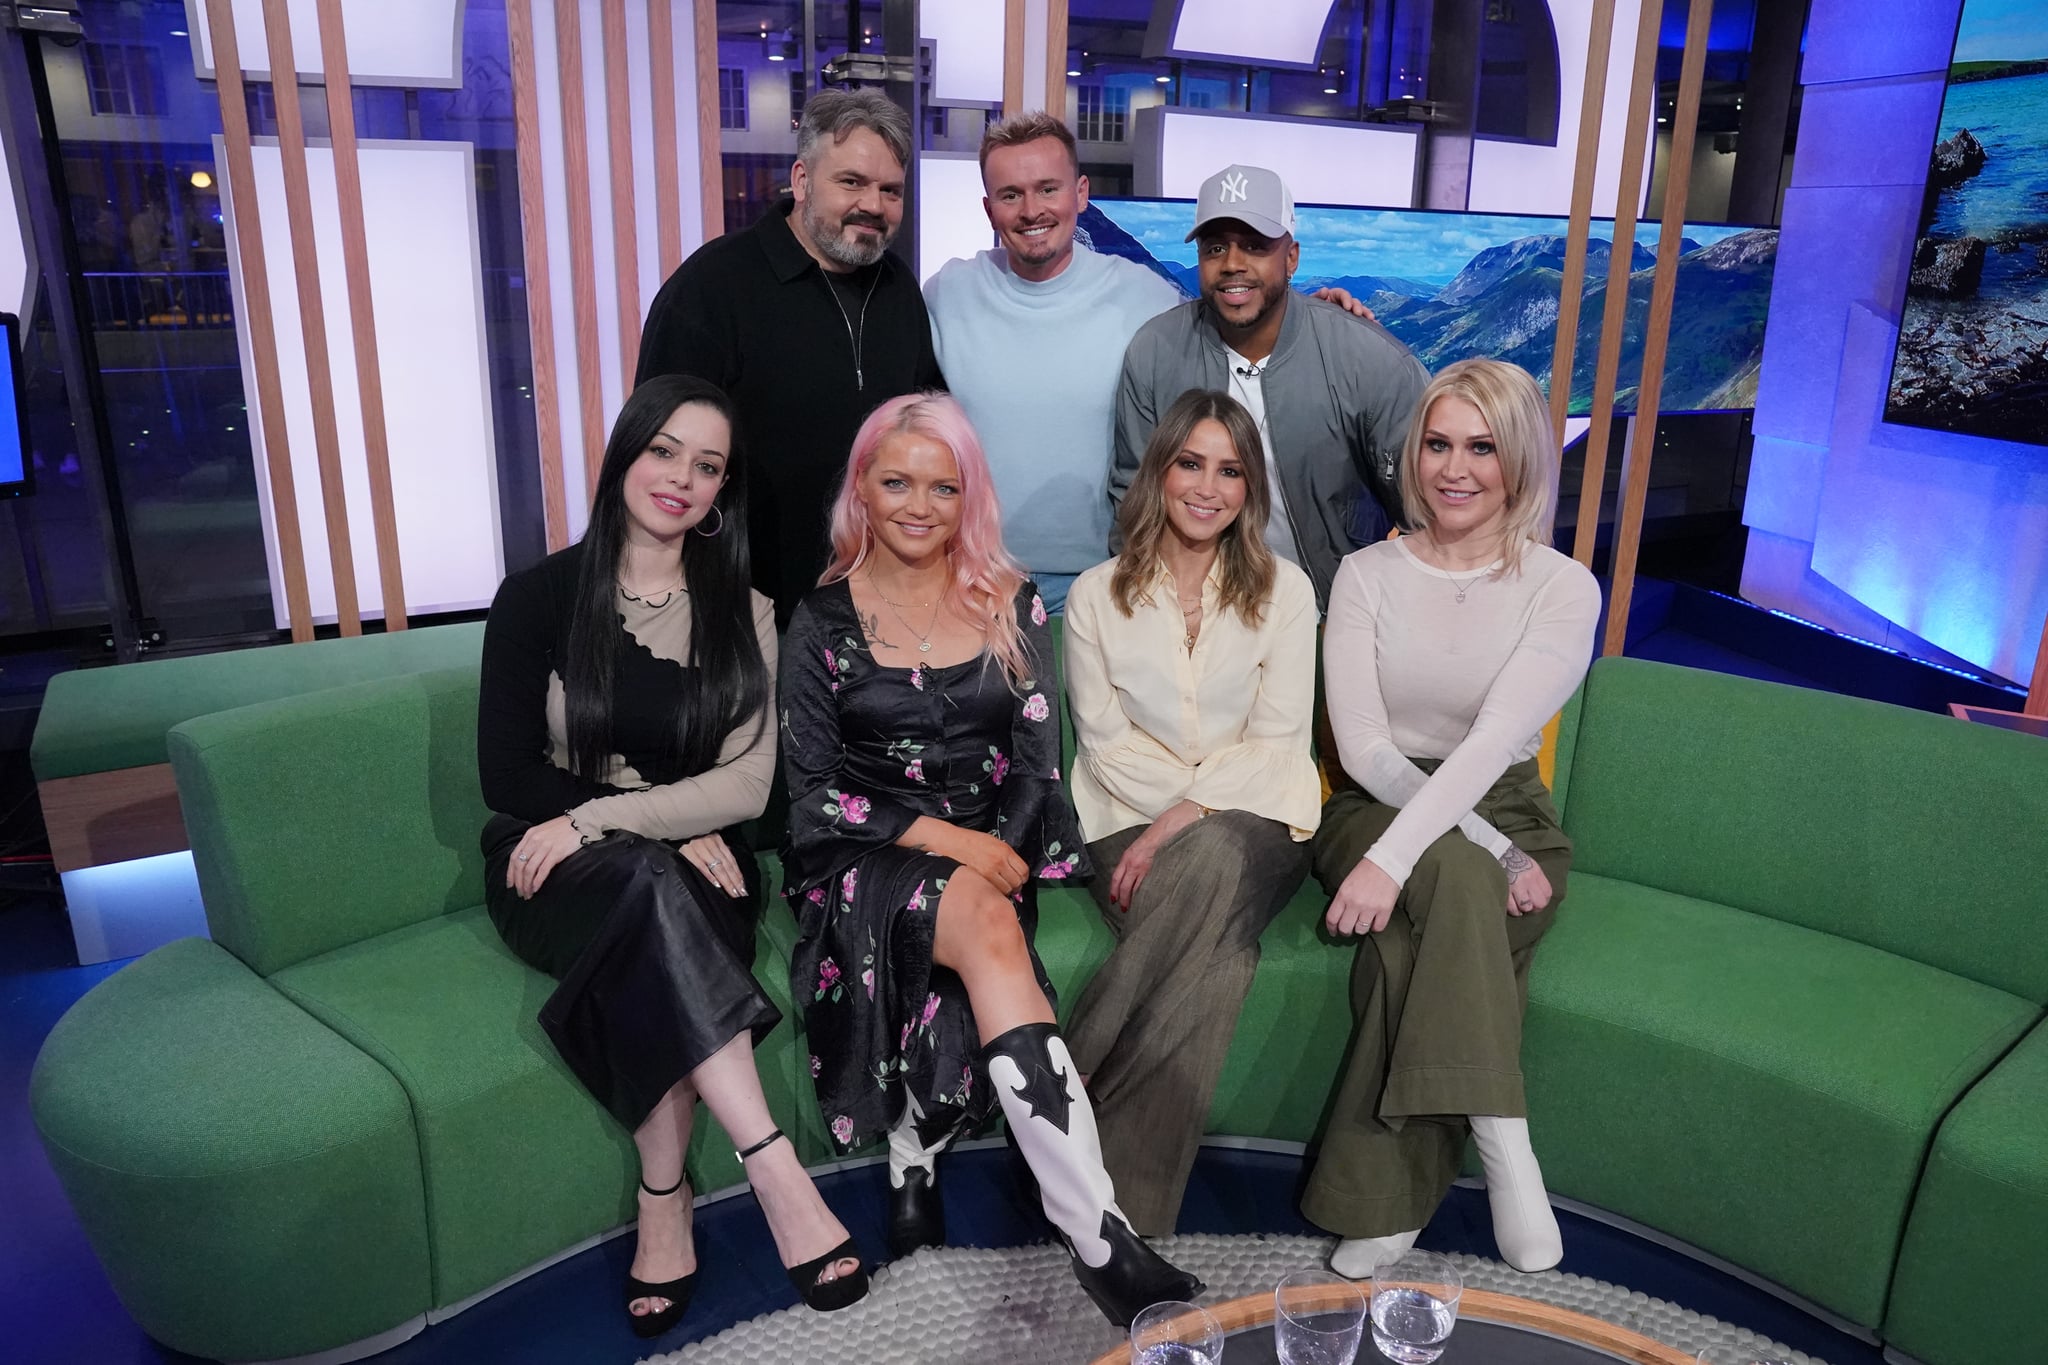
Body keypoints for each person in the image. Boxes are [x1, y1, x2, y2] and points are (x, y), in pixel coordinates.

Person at [777, 392, 1203, 1326]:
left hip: (993, 853)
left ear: (967, 495)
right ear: (863, 488)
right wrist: (953, 846)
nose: (919, 505)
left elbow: (1035, 758)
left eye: (943, 485)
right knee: (979, 917)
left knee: (980, 915)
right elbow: (813, 797)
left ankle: (913, 1156)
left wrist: (996, 850)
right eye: (896, 481)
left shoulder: (1010, 599)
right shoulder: (817, 620)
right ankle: (1098, 1232)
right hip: (865, 855)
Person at [476, 375, 869, 1337]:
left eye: (707, 466)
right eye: (664, 451)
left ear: (721, 492)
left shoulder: (750, 610)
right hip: (548, 863)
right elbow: (509, 775)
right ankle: (773, 1166)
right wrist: (622, 822)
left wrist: (626, 821)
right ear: (626, 452)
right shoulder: (538, 596)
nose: (681, 478)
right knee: (649, 885)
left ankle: (665, 1195)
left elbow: (748, 787)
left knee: (655, 903)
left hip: (705, 869)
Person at [1302, 359, 1601, 1279]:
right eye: (1437, 443)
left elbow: (1493, 742)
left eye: (1481, 446)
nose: (1455, 467)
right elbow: (1363, 751)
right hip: (1375, 803)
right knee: (1463, 875)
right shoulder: (1363, 575)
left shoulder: (1562, 586)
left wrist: (1483, 840)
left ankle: (1389, 1205)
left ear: (1518, 460)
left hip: (1506, 798)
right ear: (1413, 453)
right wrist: (1464, 849)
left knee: (1408, 944)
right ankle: (1506, 1140)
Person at [926, 117, 1378, 612]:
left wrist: (1313, 317)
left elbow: (1237, 321)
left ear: (1081, 193)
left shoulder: (1145, 297)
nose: (1032, 210)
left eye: (1047, 188)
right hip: (970, 577)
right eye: (1011, 195)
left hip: (1102, 581)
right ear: (989, 208)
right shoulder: (946, 294)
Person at [1061, 389, 1321, 1235]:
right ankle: (1125, 1228)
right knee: (1220, 961)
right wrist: (1174, 806)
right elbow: (1104, 743)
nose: (1208, 487)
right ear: (1159, 471)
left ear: (1251, 489)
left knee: (1210, 856)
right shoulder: (1097, 596)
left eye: (1231, 470)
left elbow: (1280, 741)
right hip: (1121, 814)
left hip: (1257, 820)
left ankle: (1071, 1072)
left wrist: (1190, 811)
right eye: (1191, 463)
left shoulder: (1286, 592)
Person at [636, 89, 943, 622]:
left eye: (890, 190)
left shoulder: (899, 288)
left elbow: (925, 427)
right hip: (743, 610)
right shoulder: (712, 287)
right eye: (851, 182)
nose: (872, 205)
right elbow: (655, 459)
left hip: (880, 608)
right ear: (802, 181)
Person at [1114, 163, 1432, 609]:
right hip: (1196, 620)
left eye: (1255, 246)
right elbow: (1133, 499)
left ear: (1292, 257)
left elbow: (1429, 513)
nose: (1232, 264)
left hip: (1333, 619)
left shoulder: (1371, 360)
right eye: (1216, 247)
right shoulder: (1155, 352)